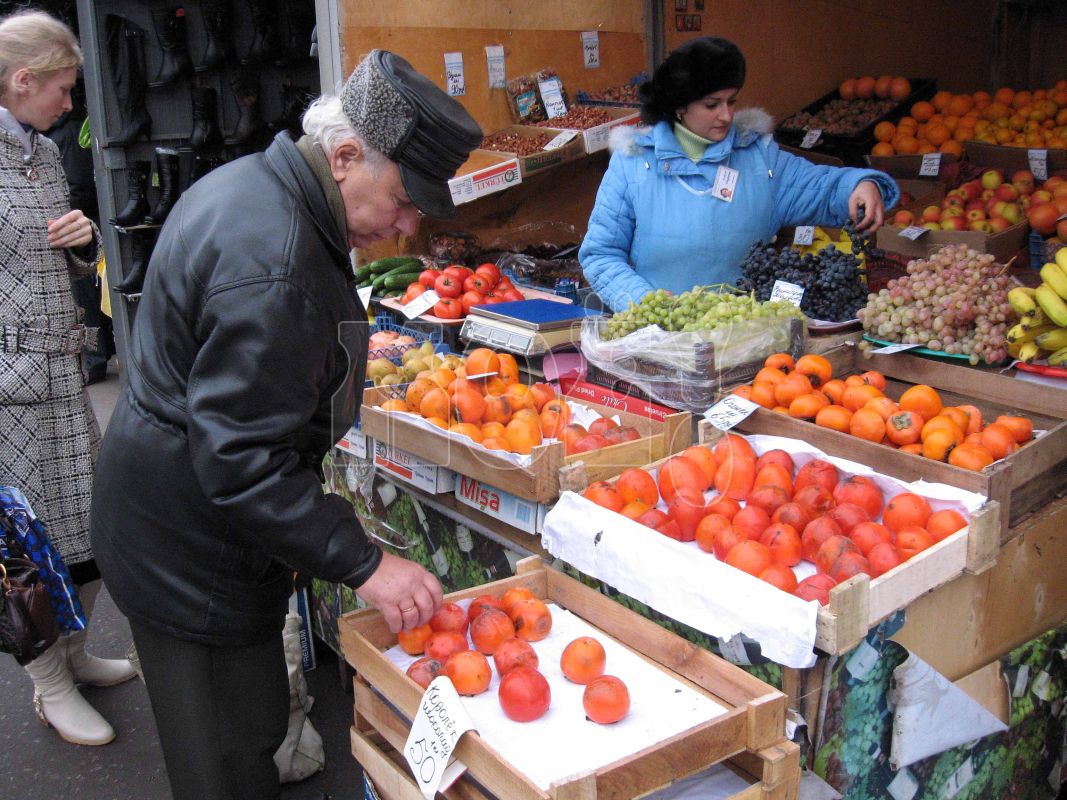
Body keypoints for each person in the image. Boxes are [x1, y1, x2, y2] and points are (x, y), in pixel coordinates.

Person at [90, 49, 483, 800]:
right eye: (403, 200)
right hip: (189, 553)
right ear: (343, 157)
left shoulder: (255, 183)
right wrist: (365, 562)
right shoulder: (277, 266)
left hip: (171, 512)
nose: (404, 227)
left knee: (244, 723)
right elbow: (241, 460)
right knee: (230, 753)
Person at [0, 10, 136, 747]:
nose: (70, 103)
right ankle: (48, 685)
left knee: (83, 527)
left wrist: (83, 244)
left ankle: (76, 658)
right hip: (5, 391)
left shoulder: (46, 154)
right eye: (62, 86)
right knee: (24, 545)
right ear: (22, 81)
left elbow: (56, 259)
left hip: (61, 374)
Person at [579, 36, 900, 312]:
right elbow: (601, 254)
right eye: (712, 104)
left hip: (744, 341)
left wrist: (861, 184)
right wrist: (647, 304)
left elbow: (823, 188)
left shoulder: (760, 160)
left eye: (731, 102)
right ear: (679, 105)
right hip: (658, 341)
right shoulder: (634, 164)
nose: (726, 115)